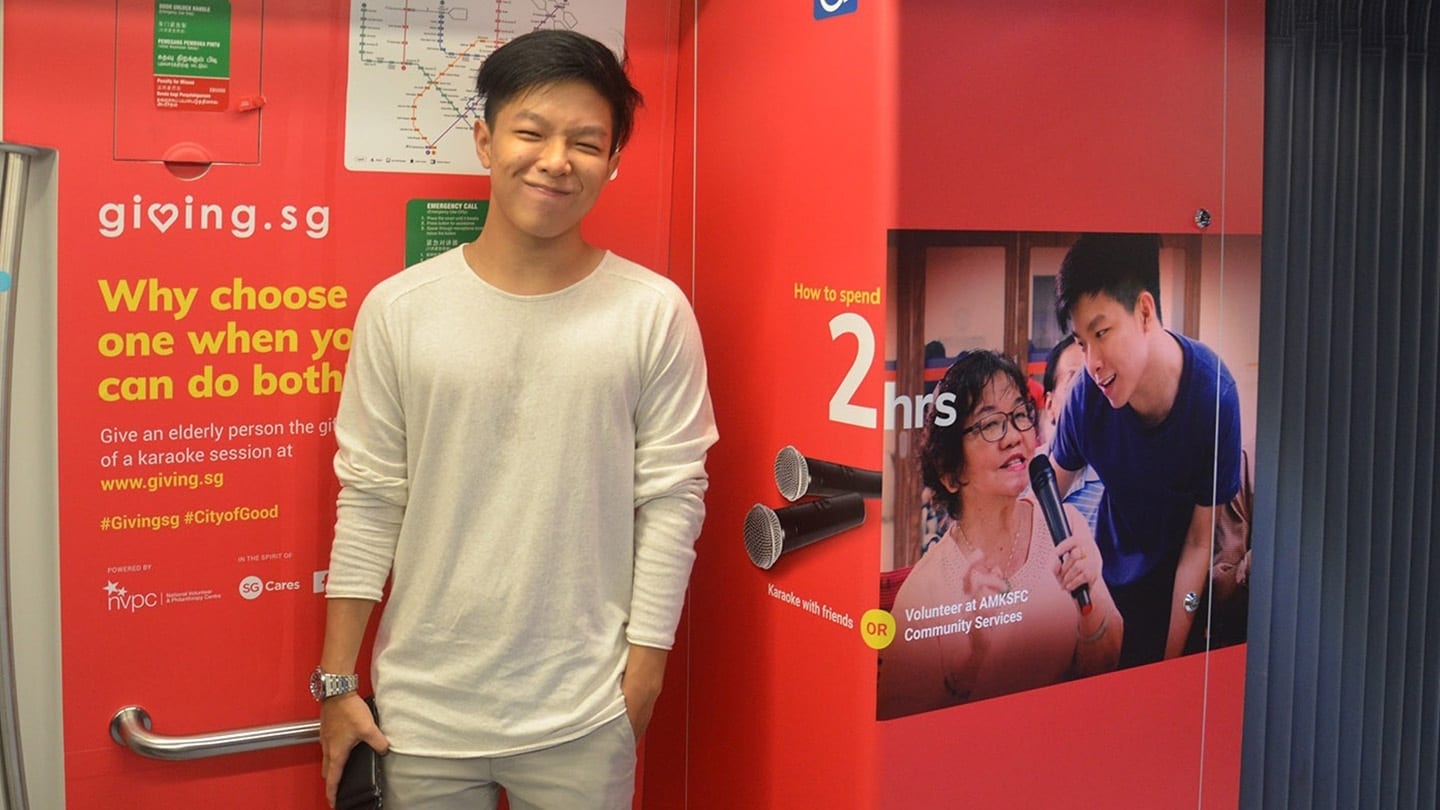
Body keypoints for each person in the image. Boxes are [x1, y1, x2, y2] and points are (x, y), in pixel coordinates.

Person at [315, 30, 718, 809]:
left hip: (585, 709)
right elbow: (368, 499)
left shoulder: (652, 312)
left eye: (586, 141)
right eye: (531, 131)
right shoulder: (399, 311)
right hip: (421, 713)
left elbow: (673, 498)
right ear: (484, 139)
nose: (555, 159)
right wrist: (337, 684)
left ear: (613, 161)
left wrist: (648, 664)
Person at [877, 351, 1121, 719]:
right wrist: (970, 668)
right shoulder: (925, 592)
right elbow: (901, 732)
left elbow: (1108, 668)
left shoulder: (1066, 526)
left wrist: (1090, 609)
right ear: (950, 472)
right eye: (990, 424)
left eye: (1019, 416)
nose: (1014, 438)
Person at [1049, 233, 1241, 668]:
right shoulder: (1086, 397)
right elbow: (1046, 495)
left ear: (1145, 311)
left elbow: (1197, 545)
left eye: (1102, 333)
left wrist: (1170, 661)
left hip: (1181, 602)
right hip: (1108, 589)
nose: (1092, 361)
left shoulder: (1214, 398)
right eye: (1082, 342)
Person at [1040, 335, 1104, 532]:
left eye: (1095, 383)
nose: (1086, 394)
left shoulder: (1117, 482)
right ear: (1050, 405)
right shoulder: (1023, 473)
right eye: (1076, 382)